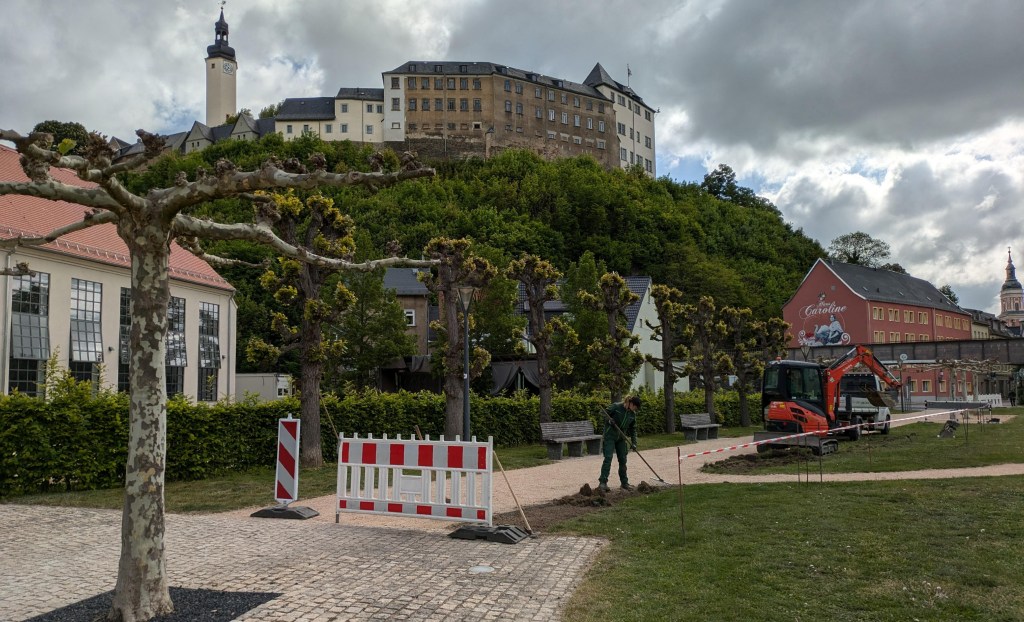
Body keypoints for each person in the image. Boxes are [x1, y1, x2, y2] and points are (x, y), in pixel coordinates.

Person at [598, 396, 640, 492]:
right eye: (635, 407)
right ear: (631, 404)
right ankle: (603, 483)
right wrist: (609, 420)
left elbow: (633, 429)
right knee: (608, 458)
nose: (635, 409)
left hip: (621, 438)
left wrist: (634, 443)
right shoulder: (616, 407)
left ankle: (624, 483)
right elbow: (603, 413)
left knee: (623, 460)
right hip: (610, 436)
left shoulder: (632, 414)